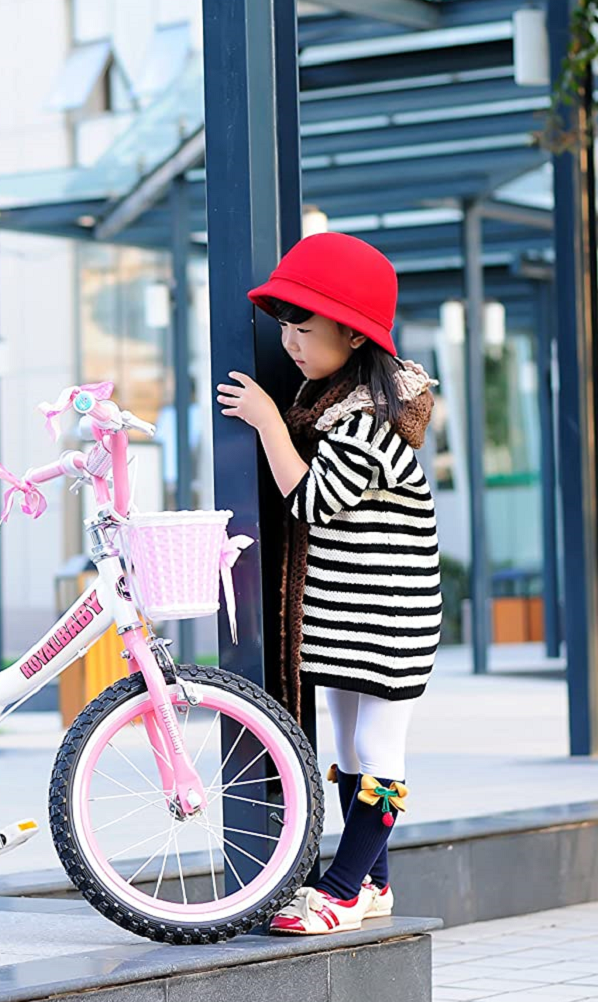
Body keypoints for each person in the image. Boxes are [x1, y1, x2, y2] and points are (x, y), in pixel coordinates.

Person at [216, 232, 441, 935]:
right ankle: (373, 884)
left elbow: (311, 502)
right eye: (285, 324)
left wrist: (266, 423)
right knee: (347, 749)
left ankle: (342, 891)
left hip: (389, 618)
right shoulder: (334, 404)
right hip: (350, 612)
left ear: (353, 334)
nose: (289, 341)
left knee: (377, 750)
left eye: (304, 328)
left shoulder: (371, 424)